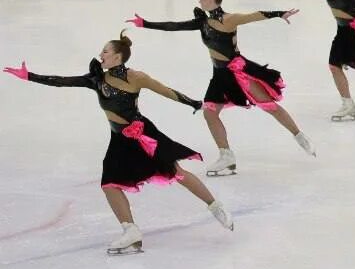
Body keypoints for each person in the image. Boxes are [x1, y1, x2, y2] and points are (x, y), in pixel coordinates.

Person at [4, 33, 234, 254]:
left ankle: (216, 207)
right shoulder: (97, 79)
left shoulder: (136, 77)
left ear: (118, 56)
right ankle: (131, 231)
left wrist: (193, 102)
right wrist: (30, 76)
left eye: (105, 51)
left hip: (143, 134)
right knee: (110, 184)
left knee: (175, 171)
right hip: (119, 139)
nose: (101, 54)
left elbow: (165, 91)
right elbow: (63, 82)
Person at [128, 0, 312, 176]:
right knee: (209, 111)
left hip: (238, 72)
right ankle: (226, 156)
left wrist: (279, 13)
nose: (199, 1)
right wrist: (145, 23)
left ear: (210, 0)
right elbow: (174, 26)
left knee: (268, 105)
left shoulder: (229, 20)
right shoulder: (203, 22)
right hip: (219, 75)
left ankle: (299, 135)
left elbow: (253, 16)